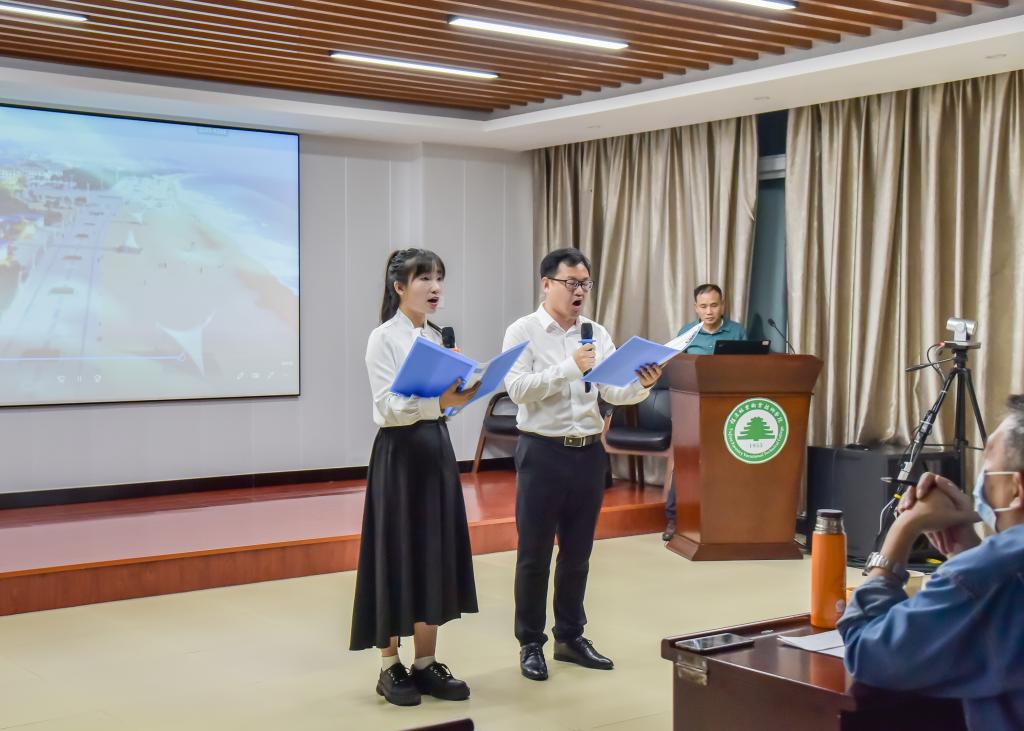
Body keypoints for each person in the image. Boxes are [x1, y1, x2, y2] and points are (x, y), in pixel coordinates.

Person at [503, 247, 662, 681]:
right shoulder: (523, 331)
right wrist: (569, 368)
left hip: (589, 452)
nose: (579, 292)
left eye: (585, 284)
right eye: (571, 283)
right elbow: (518, 390)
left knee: (578, 553)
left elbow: (612, 391)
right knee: (534, 554)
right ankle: (530, 643)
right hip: (542, 451)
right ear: (546, 284)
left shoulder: (595, 332)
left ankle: (570, 637)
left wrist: (641, 385)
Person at [837, 394, 1024, 731]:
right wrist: (965, 549)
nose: (982, 482)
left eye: (988, 469)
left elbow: (868, 654)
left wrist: (904, 528)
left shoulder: (984, 575)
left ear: (1016, 488)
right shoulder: (989, 574)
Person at [350, 248, 481, 707]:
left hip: (435, 450)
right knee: (395, 552)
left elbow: (441, 404)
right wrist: (438, 400)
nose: (435, 287)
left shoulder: (438, 336)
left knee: (433, 552)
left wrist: (461, 395)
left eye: (439, 277)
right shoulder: (383, 338)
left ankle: (426, 663)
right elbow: (387, 408)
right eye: (424, 278)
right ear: (400, 287)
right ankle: (390, 665)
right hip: (399, 455)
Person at [663, 283, 747, 541]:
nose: (709, 311)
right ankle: (675, 518)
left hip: (727, 408)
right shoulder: (687, 332)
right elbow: (674, 367)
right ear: (695, 308)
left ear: (722, 306)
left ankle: (723, 518)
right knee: (686, 462)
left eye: (714, 305)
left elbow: (749, 365)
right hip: (692, 407)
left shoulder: (737, 331)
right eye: (703, 306)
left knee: (725, 464)